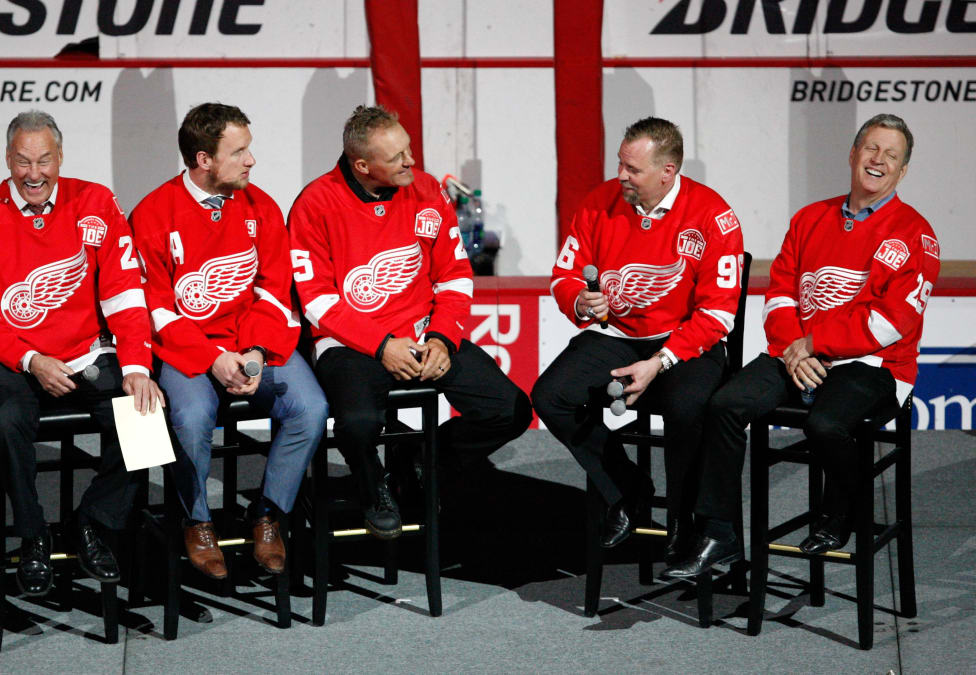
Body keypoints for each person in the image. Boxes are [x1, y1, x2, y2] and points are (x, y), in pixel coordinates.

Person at [663, 113, 939, 578]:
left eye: (891, 156)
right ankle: (720, 538)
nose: (878, 160)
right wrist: (795, 346)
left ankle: (843, 510)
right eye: (871, 149)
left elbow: (893, 321)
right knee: (725, 404)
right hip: (796, 354)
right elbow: (780, 294)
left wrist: (815, 344)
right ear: (853, 154)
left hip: (874, 365)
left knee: (826, 423)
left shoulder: (916, 233)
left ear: (903, 171)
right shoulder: (810, 218)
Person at [287, 105, 532, 538]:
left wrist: (441, 339)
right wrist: (383, 346)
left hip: (422, 334)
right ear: (362, 166)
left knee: (510, 410)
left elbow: (454, 276)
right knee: (359, 424)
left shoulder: (425, 189)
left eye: (409, 149)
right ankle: (373, 488)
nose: (411, 161)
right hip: (350, 343)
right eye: (397, 156)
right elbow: (316, 302)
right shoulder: (315, 203)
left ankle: (423, 458)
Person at [0, 110, 165, 596]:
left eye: (44, 160)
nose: (34, 174)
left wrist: (135, 365)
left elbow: (125, 293)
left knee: (145, 421)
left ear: (60, 157)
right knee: (6, 426)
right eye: (23, 161)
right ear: (7, 159)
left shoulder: (95, 202)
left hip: (87, 354)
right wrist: (31, 360)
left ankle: (92, 522)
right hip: (16, 361)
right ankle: (32, 537)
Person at [532, 117, 744, 564]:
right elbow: (563, 277)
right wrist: (581, 303)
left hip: (686, 342)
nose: (621, 176)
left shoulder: (713, 215)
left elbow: (718, 313)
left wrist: (662, 361)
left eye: (633, 169)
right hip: (618, 335)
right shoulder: (597, 203)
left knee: (689, 409)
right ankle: (627, 489)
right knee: (551, 396)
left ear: (667, 171)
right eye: (620, 165)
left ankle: (688, 524)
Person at [130, 103, 327, 579]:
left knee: (311, 408)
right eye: (239, 152)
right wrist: (214, 358)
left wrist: (256, 352)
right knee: (192, 416)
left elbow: (277, 290)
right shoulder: (154, 213)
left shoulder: (261, 206)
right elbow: (154, 309)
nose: (250, 161)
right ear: (203, 160)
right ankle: (197, 521)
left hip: (255, 347)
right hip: (190, 353)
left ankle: (268, 514)